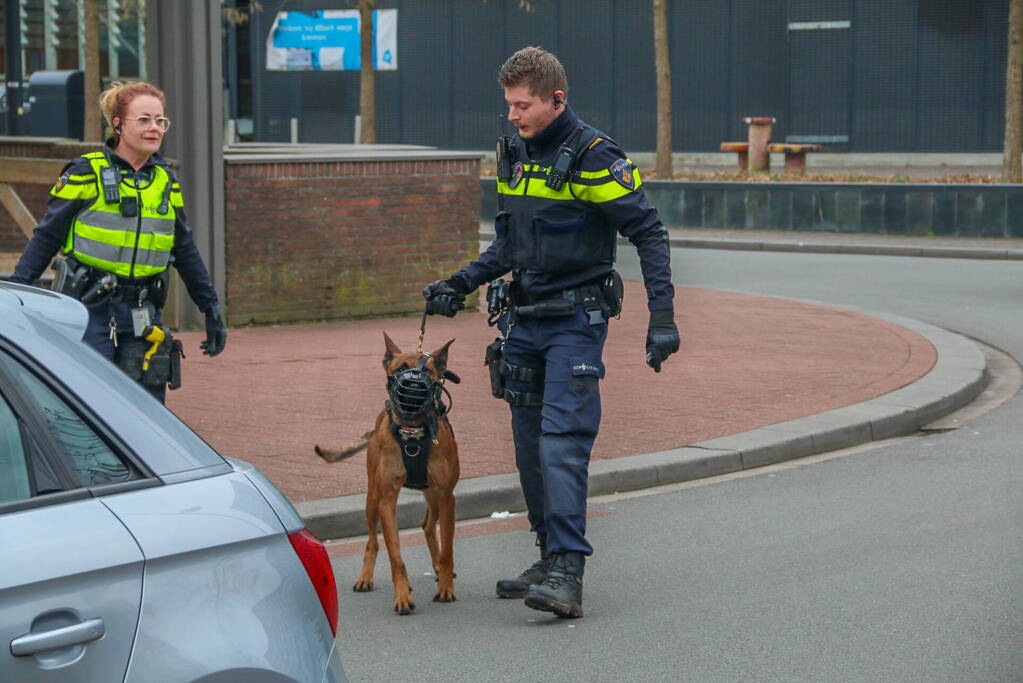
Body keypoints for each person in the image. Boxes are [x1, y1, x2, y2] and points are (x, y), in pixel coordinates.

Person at [423, 46, 679, 618]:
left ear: (556, 99)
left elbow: (650, 234)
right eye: (508, 106)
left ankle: (568, 571)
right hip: (524, 320)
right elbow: (511, 245)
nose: (513, 116)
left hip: (575, 323)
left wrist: (662, 317)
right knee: (528, 444)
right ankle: (546, 554)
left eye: (523, 105)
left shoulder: (594, 155)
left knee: (562, 442)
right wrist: (459, 282)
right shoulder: (513, 153)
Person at [9, 80, 226, 402]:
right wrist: (16, 295)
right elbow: (47, 236)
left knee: (147, 404)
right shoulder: (86, 172)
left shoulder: (166, 181)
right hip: (88, 308)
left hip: (143, 310)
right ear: (118, 124)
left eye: (160, 120)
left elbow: (183, 248)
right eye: (143, 119)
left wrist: (209, 306)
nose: (154, 128)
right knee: (90, 402)